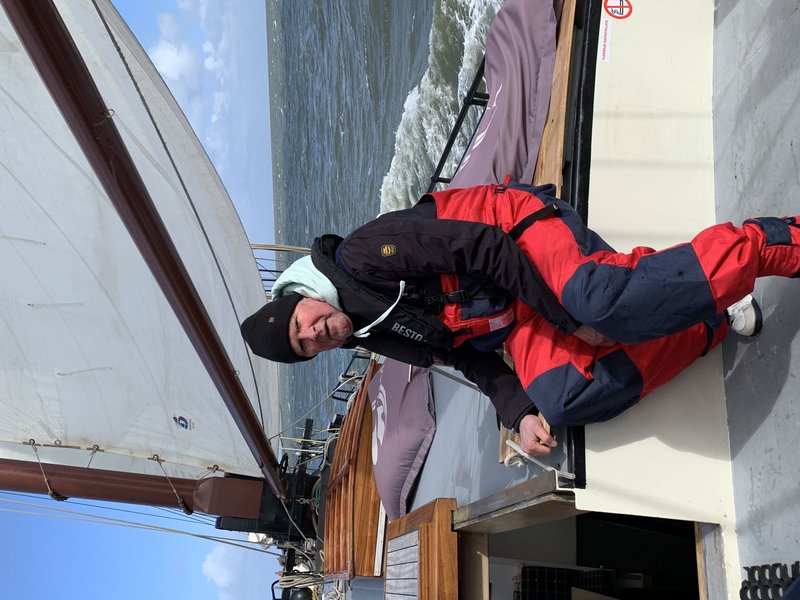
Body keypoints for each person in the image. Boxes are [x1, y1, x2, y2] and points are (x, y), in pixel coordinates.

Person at [242, 179, 796, 456]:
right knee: (563, 399)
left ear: (302, 296)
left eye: (300, 322)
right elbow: (464, 356)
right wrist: (518, 412)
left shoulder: (364, 255)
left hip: (516, 236)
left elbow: (484, 247)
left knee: (593, 301)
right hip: (515, 310)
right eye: (305, 346)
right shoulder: (371, 332)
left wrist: (568, 320)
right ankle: (706, 319)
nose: (314, 333)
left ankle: (774, 241)